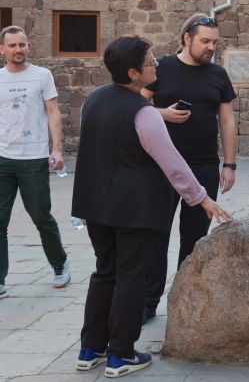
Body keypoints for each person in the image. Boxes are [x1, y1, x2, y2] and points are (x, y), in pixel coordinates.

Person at [72, 35, 231, 377]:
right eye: (149, 62)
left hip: (97, 206)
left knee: (105, 273)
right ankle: (121, 355)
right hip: (135, 210)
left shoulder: (94, 100)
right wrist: (201, 198)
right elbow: (172, 163)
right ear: (133, 73)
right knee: (131, 278)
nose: (156, 65)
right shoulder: (144, 114)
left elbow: (91, 155)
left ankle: (90, 349)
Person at [142, 14, 236, 323]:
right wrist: (162, 115)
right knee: (156, 235)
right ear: (187, 39)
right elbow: (136, 108)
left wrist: (230, 164)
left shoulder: (218, 75)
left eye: (214, 42)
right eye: (205, 41)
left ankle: (183, 301)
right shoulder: (162, 68)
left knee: (194, 239)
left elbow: (226, 121)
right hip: (161, 166)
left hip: (204, 165)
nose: (211, 47)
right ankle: (148, 302)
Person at [0, 25, 70, 299]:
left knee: (41, 216)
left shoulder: (42, 75)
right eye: (13, 45)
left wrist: (57, 149)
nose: (19, 49)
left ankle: (60, 264)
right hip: (3, 159)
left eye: (23, 44)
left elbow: (53, 113)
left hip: (34, 158)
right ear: (3, 49)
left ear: (28, 46)